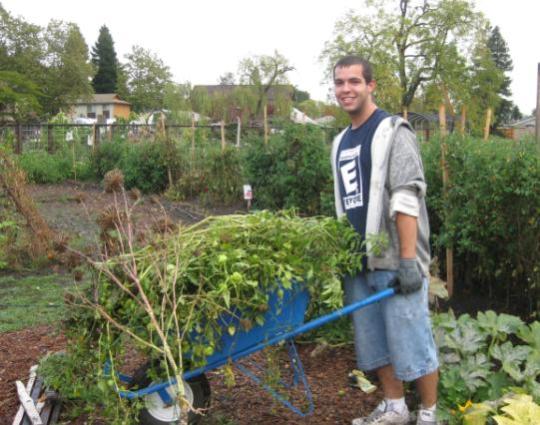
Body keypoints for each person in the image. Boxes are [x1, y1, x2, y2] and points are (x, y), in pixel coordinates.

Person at [331, 55, 439, 425]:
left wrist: (409, 260)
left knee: (413, 338)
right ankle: (395, 407)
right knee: (374, 341)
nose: (346, 89)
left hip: (395, 261)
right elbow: (347, 201)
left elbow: (407, 196)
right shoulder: (340, 142)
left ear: (371, 86)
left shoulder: (394, 130)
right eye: (340, 82)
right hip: (359, 261)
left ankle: (428, 413)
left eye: (354, 82)